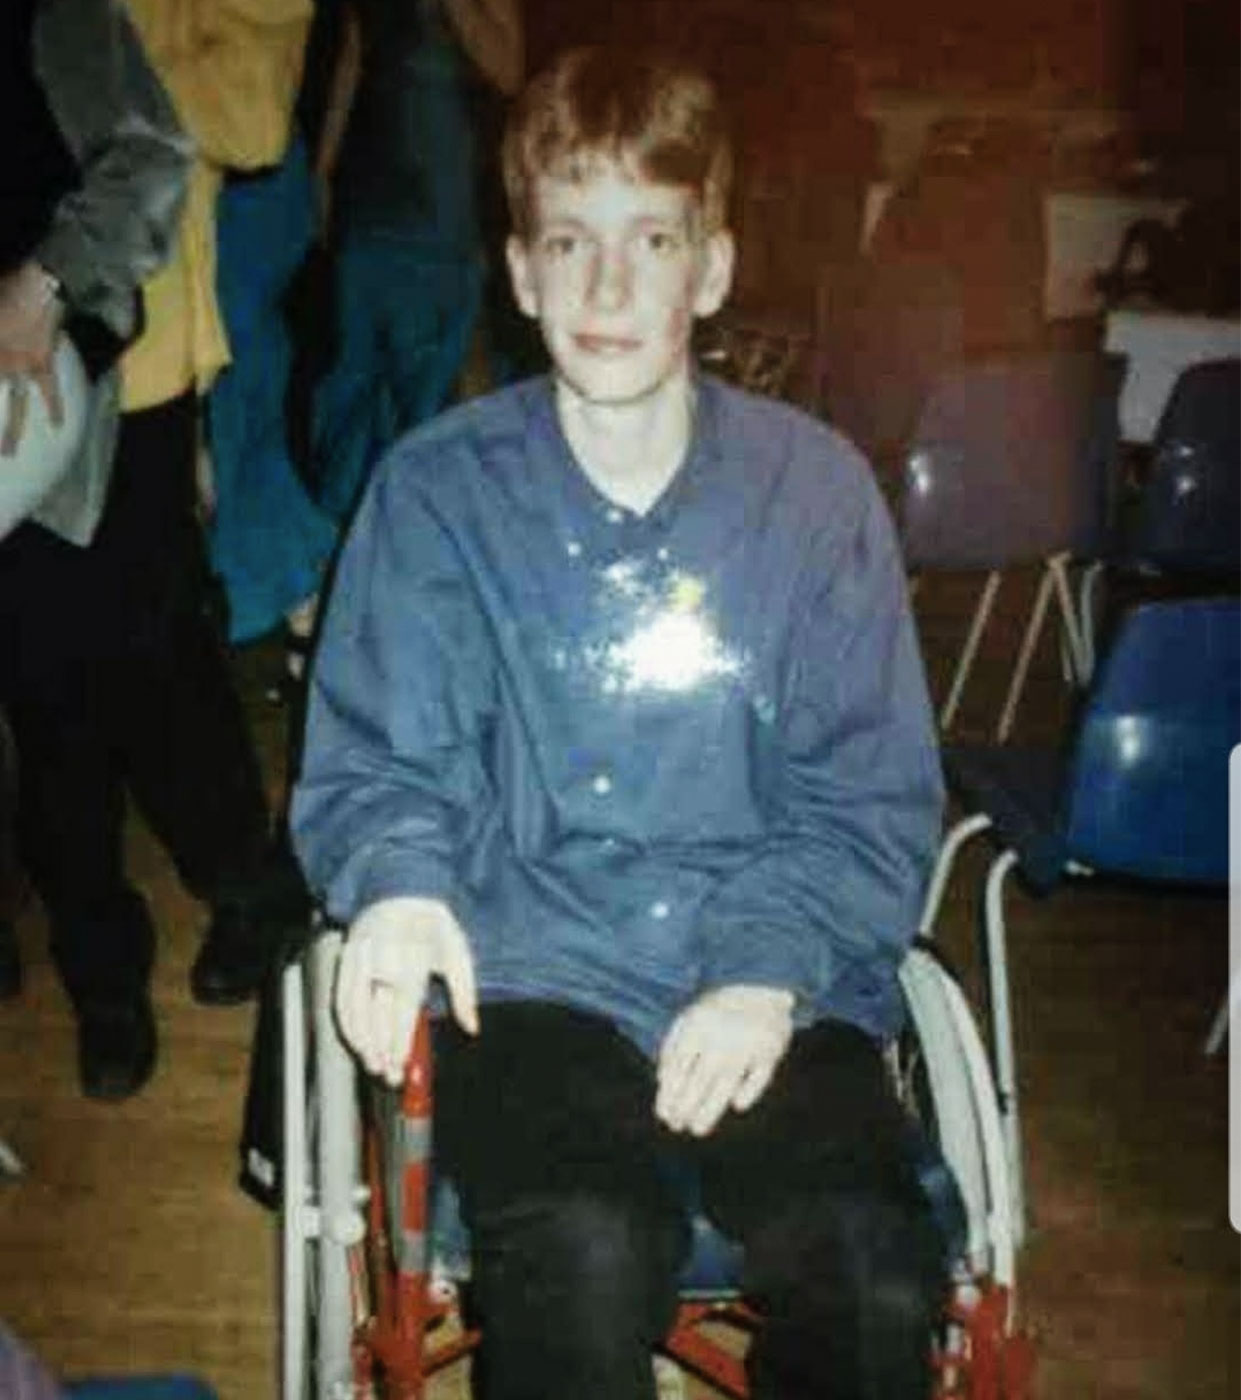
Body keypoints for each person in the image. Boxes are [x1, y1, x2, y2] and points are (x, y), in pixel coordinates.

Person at [292, 46, 947, 1399]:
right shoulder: (437, 496)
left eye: (650, 240)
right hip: (534, 975)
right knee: (587, 1250)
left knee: (876, 1266)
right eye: (569, 243)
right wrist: (403, 892)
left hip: (772, 969)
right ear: (519, 273)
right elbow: (381, 760)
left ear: (709, 270)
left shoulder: (815, 498)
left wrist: (766, 971)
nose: (606, 288)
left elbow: (869, 797)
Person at [0, 0, 312, 1101]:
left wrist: (119, 44)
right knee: (49, 703)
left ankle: (249, 884)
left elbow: (249, 119)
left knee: (158, 667)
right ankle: (104, 977)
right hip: (26, 403)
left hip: (135, 364)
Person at [308, 0, 523, 523]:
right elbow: (354, 59)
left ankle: (435, 531)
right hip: (371, 194)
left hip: (443, 196)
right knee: (353, 372)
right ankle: (350, 528)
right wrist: (322, 168)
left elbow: (510, 68)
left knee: (434, 377)